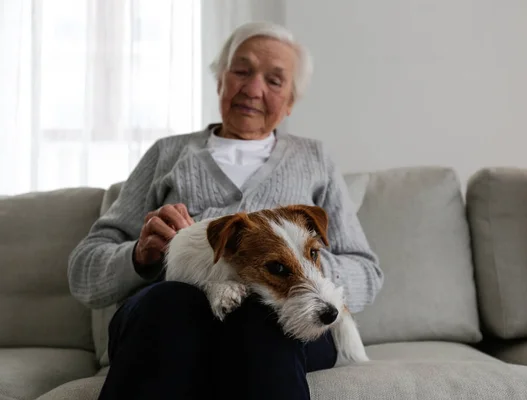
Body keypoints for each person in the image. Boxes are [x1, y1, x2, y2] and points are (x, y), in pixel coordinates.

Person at [67, 21, 383, 400]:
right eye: (242, 71)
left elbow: (366, 269)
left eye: (274, 80)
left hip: (284, 320)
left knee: (260, 315)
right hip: (172, 316)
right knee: (168, 302)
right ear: (219, 79)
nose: (252, 89)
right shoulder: (168, 153)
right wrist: (140, 255)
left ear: (291, 102)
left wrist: (288, 263)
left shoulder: (314, 158)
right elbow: (84, 273)